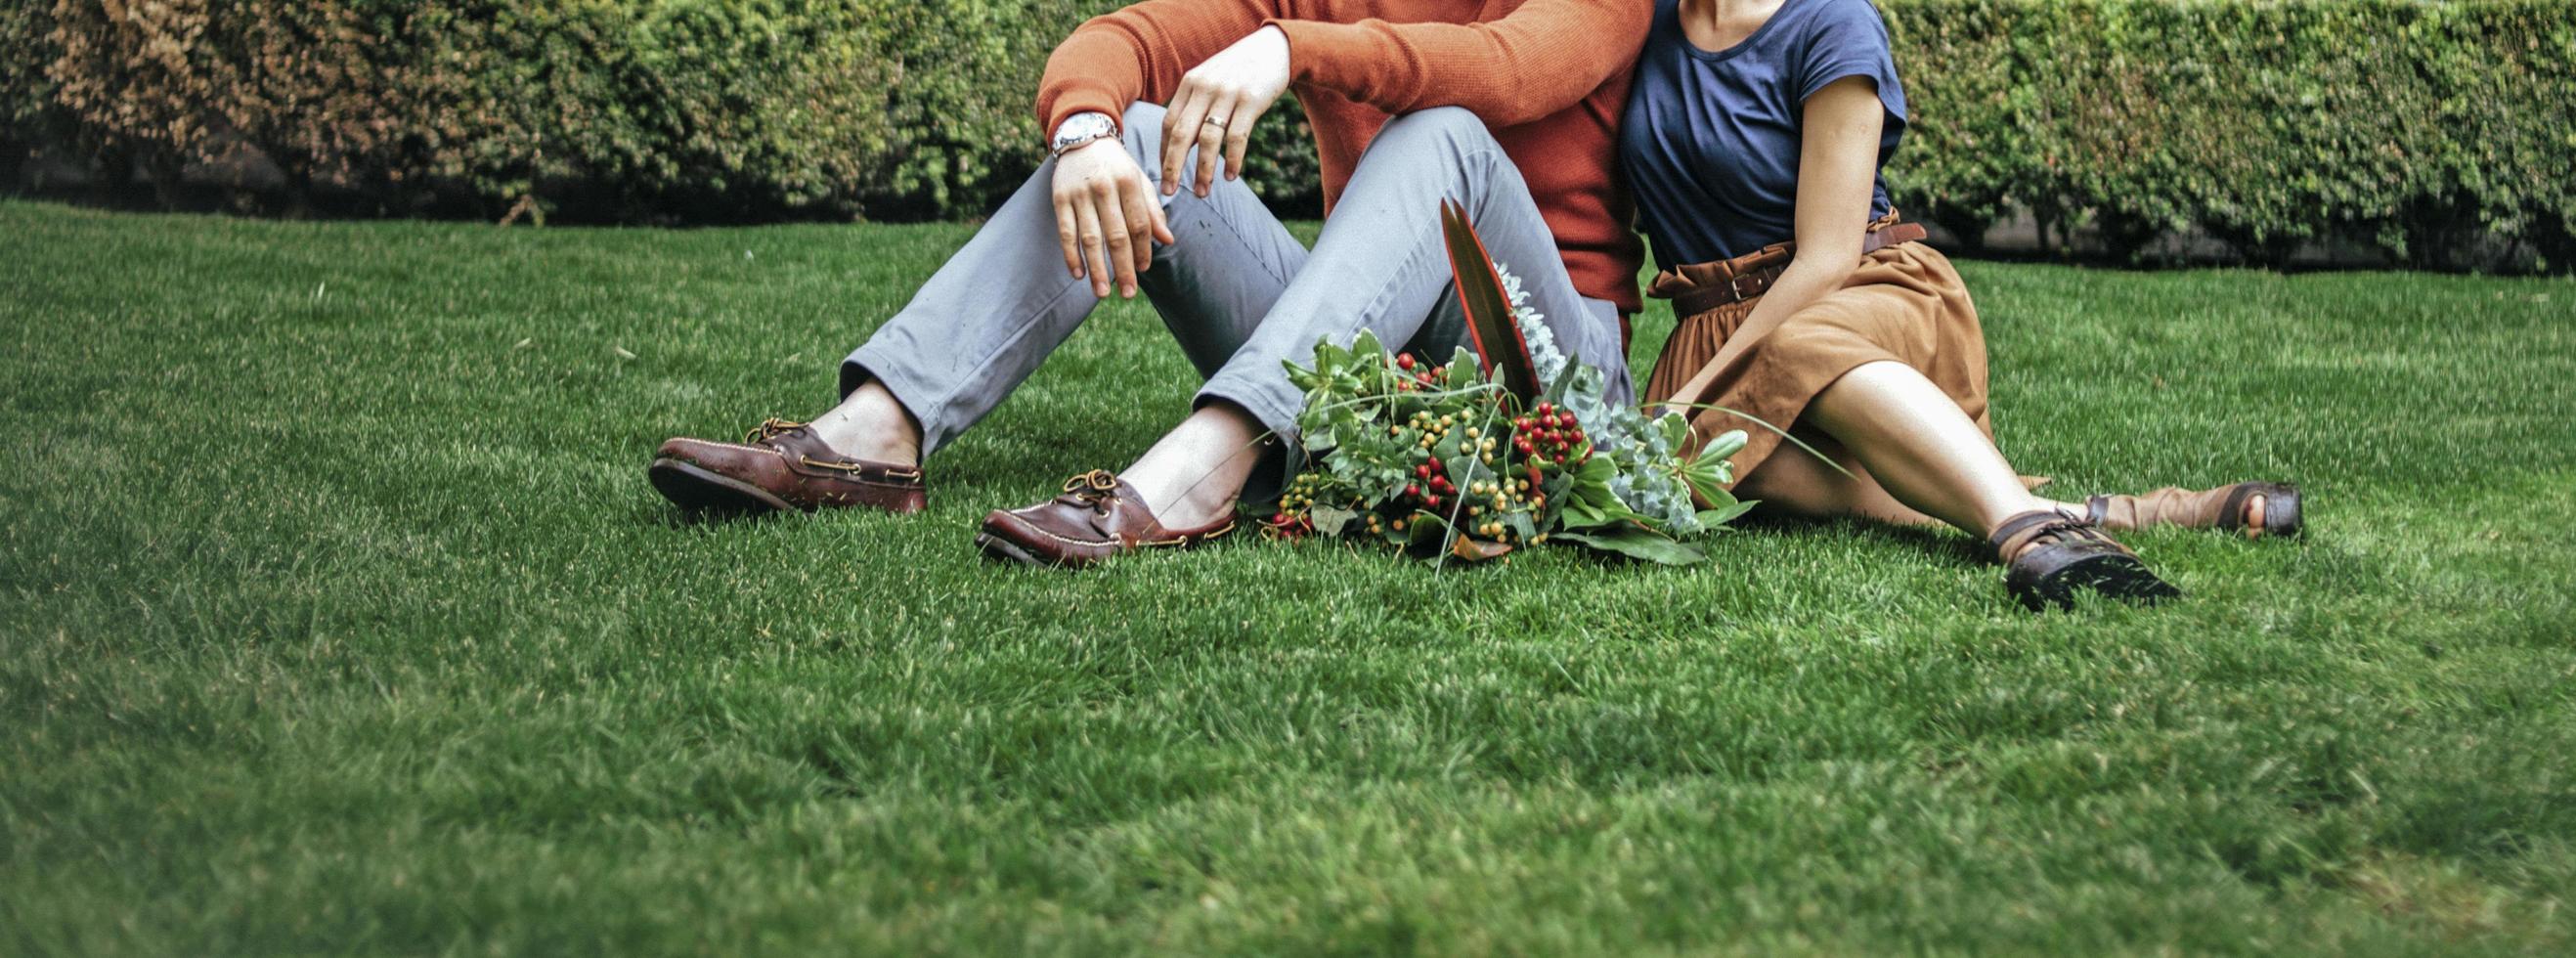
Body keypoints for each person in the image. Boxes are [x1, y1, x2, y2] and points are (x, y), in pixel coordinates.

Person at [647, 1, 1652, 569]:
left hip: (1547, 371)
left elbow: (1510, 67)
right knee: (1131, 133)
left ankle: (1200, 470)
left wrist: (1291, 49)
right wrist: (1082, 130)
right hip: (1381, 377)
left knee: (1444, 135)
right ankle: (873, 437)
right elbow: (1123, 41)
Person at [1620, 0, 2301, 610]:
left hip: (1856, 289)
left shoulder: (1830, 22)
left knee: (1799, 349)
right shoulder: (1637, 26)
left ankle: (2028, 534)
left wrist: (1695, 391)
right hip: (1713, 326)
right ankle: (2114, 513)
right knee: (1743, 468)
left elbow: (1826, 256)